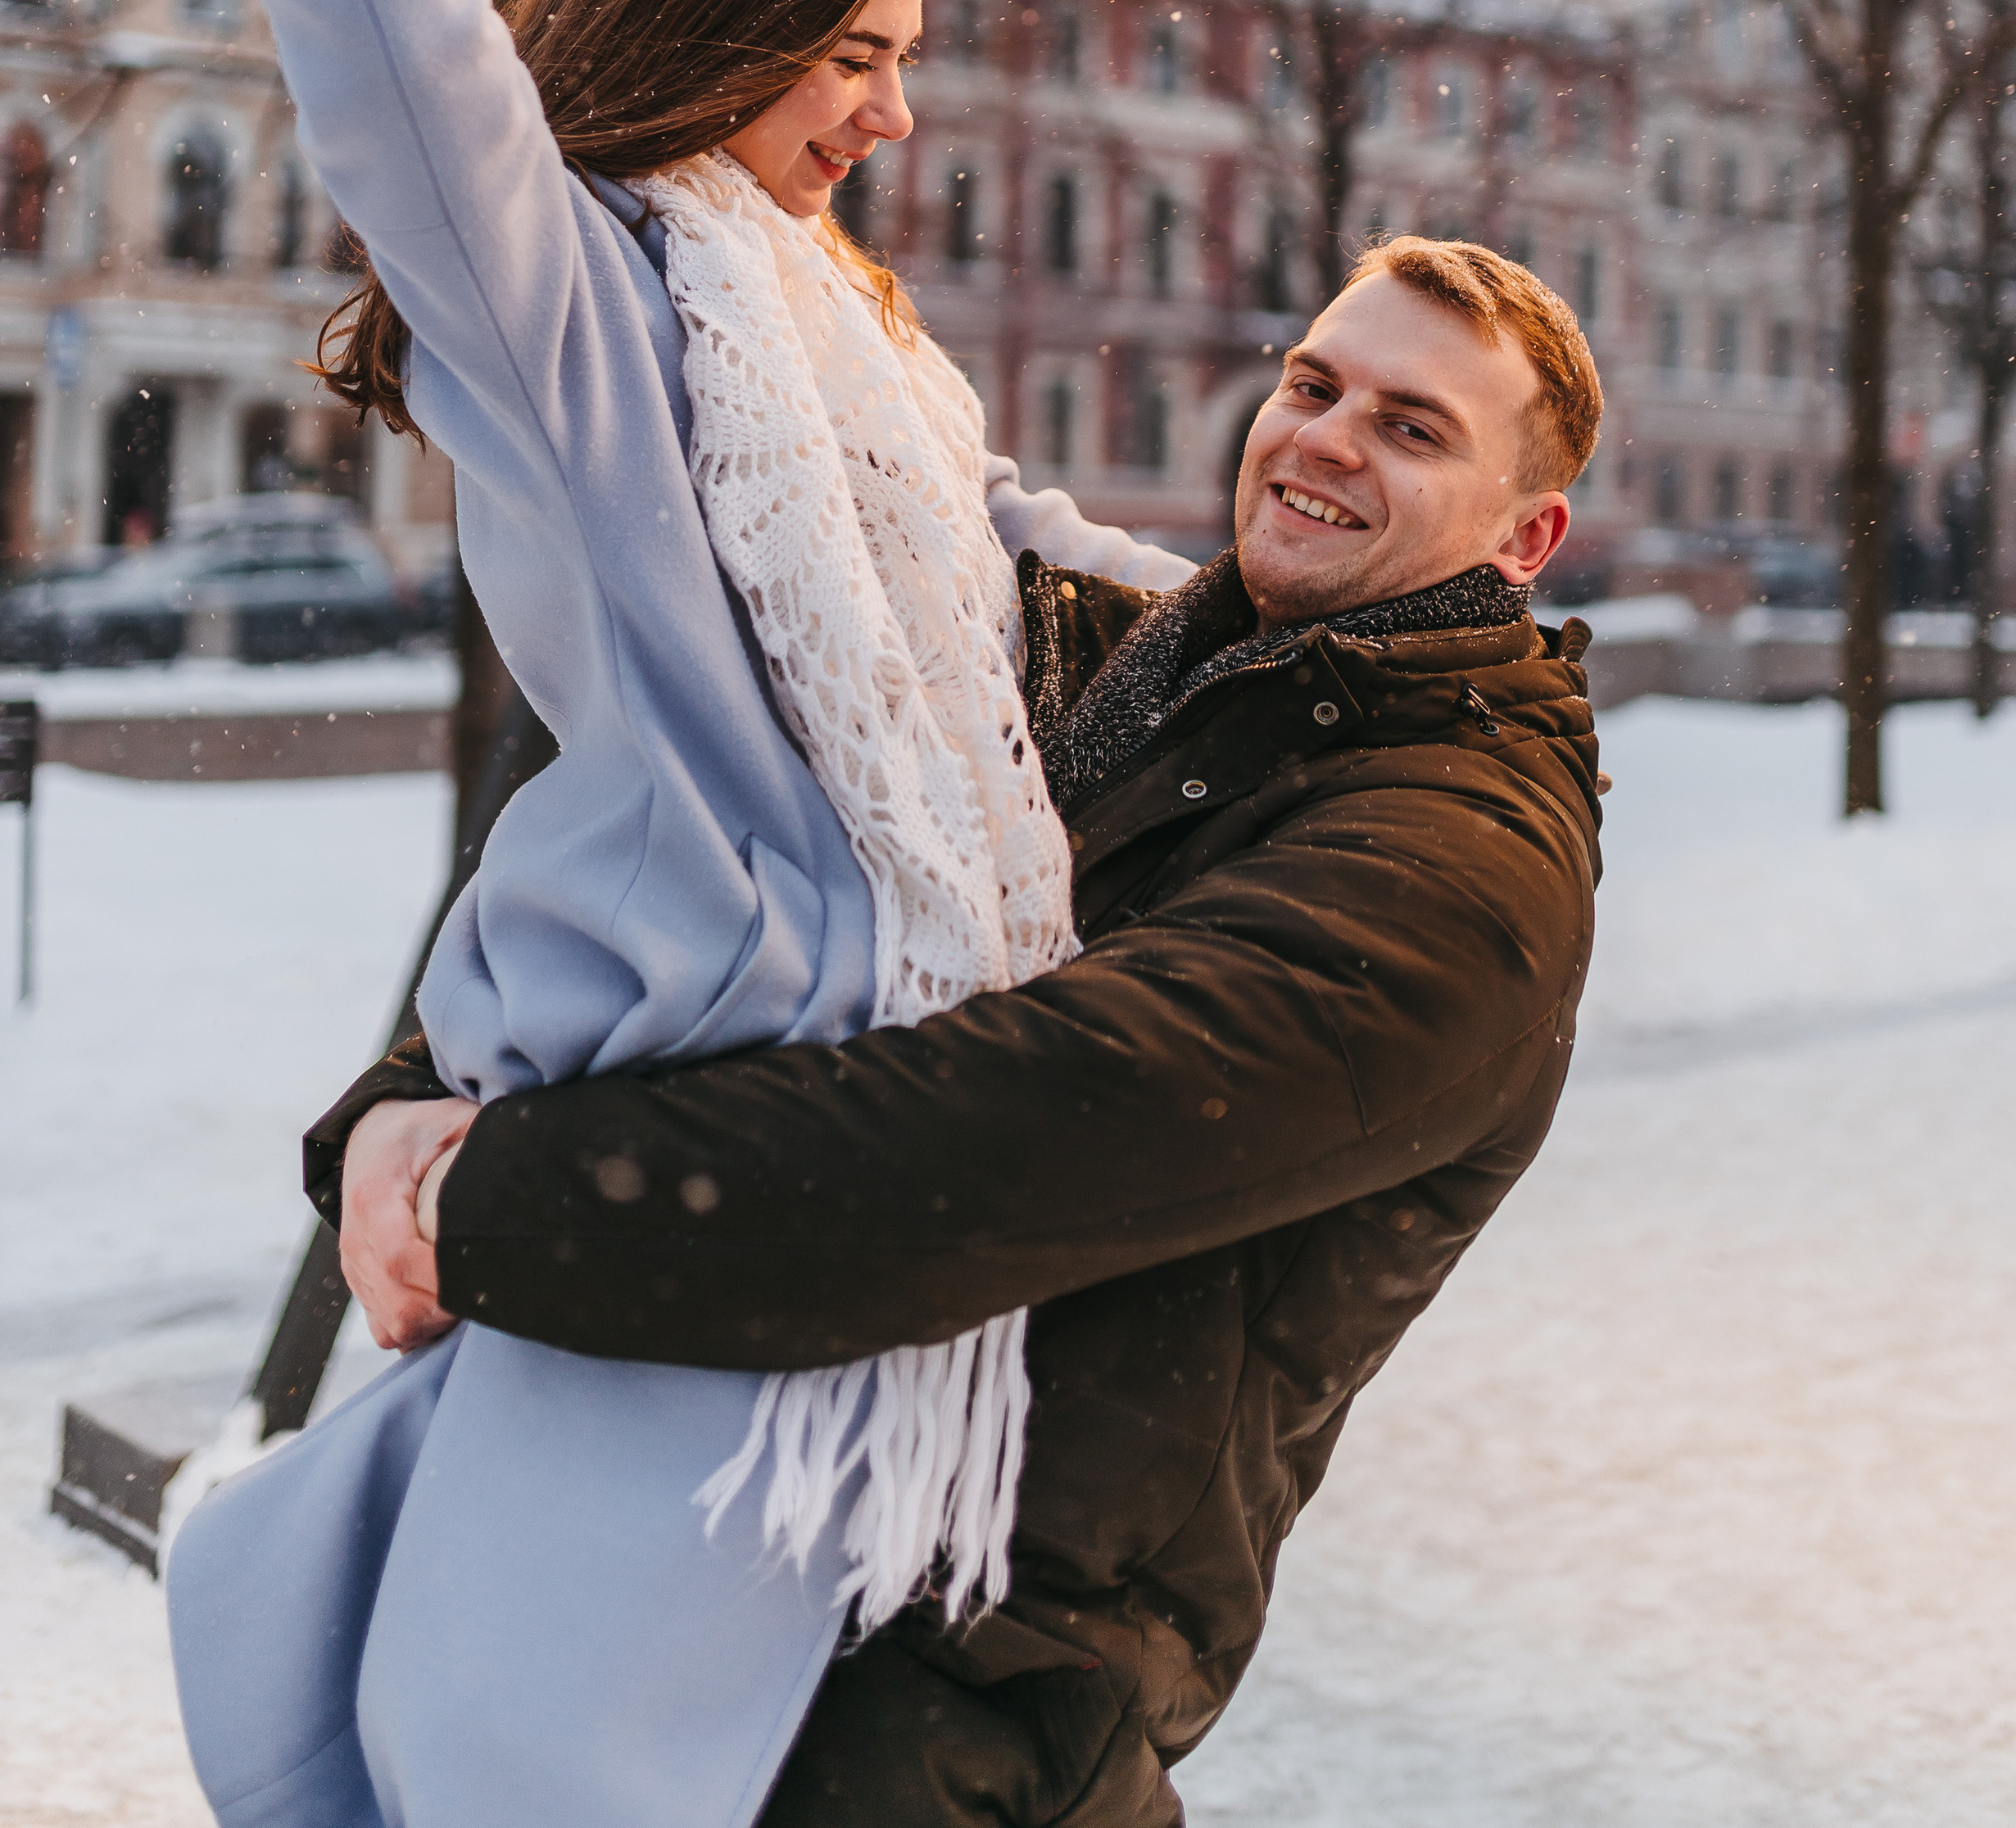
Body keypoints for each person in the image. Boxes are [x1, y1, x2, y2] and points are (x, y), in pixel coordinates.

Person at [64, 0, 1194, 1828]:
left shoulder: (864, 357)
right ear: (721, 21)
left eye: (911, 53)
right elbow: (390, 32)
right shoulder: (588, 306)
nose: (890, 116)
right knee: (527, 1776)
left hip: (828, 1227)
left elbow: (1038, 588)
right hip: (680, 1221)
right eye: (856, 51)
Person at [324, 233, 1610, 1826]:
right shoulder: (1119, 657)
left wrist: (496, 1195)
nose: (1326, 439)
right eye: (1312, 383)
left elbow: (1008, 1133)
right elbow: (722, 860)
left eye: (1412, 428)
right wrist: (413, 1099)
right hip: (720, 1608)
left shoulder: (1463, 866)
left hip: (959, 1704)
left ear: (1527, 535)